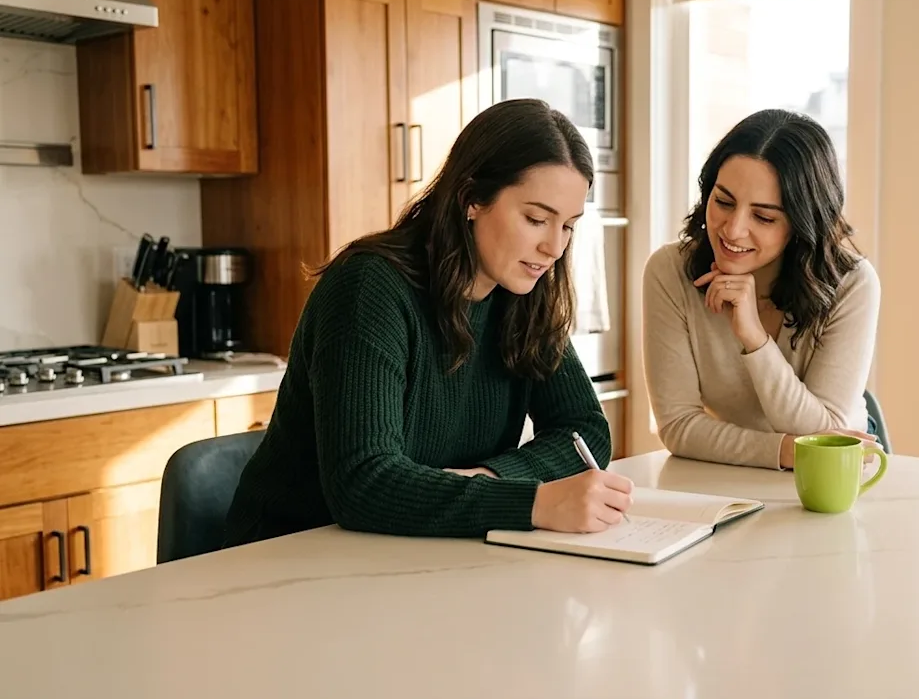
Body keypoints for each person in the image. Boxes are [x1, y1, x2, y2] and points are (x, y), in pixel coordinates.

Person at [222, 98, 633, 547]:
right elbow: (363, 483)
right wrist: (532, 503)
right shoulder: (368, 289)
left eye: (569, 226)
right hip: (290, 557)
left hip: (411, 552)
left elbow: (585, 431)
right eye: (536, 219)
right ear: (471, 199)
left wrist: (490, 477)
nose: (554, 248)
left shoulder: (522, 295)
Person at [642, 109, 881, 471]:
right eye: (723, 202)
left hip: (840, 474)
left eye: (764, 217)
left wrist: (753, 337)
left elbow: (830, 435)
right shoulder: (670, 271)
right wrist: (786, 451)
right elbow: (678, 426)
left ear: (803, 223)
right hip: (733, 473)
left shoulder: (852, 284)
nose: (733, 230)